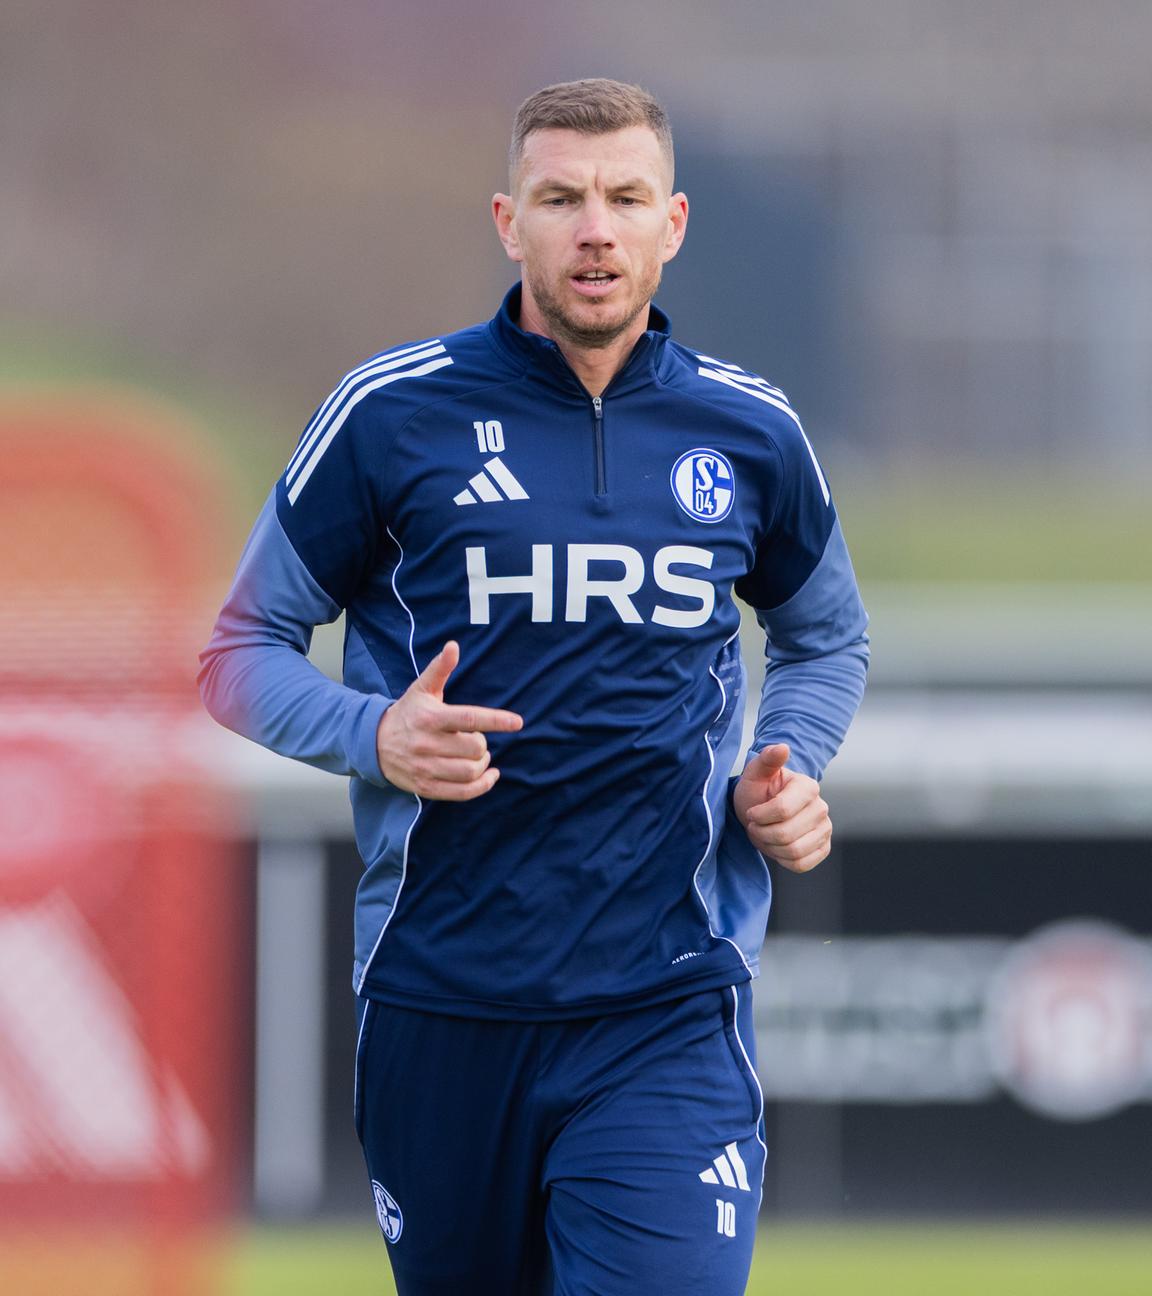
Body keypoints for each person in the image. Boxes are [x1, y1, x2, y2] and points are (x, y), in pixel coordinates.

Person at [200, 77, 868, 1296]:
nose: (594, 228)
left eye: (622, 198)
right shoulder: (391, 414)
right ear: (509, 222)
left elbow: (826, 641)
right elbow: (237, 653)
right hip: (442, 1004)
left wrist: (794, 766)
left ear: (673, 222)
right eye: (562, 197)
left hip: (665, 1006)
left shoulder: (751, 432)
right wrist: (375, 734)